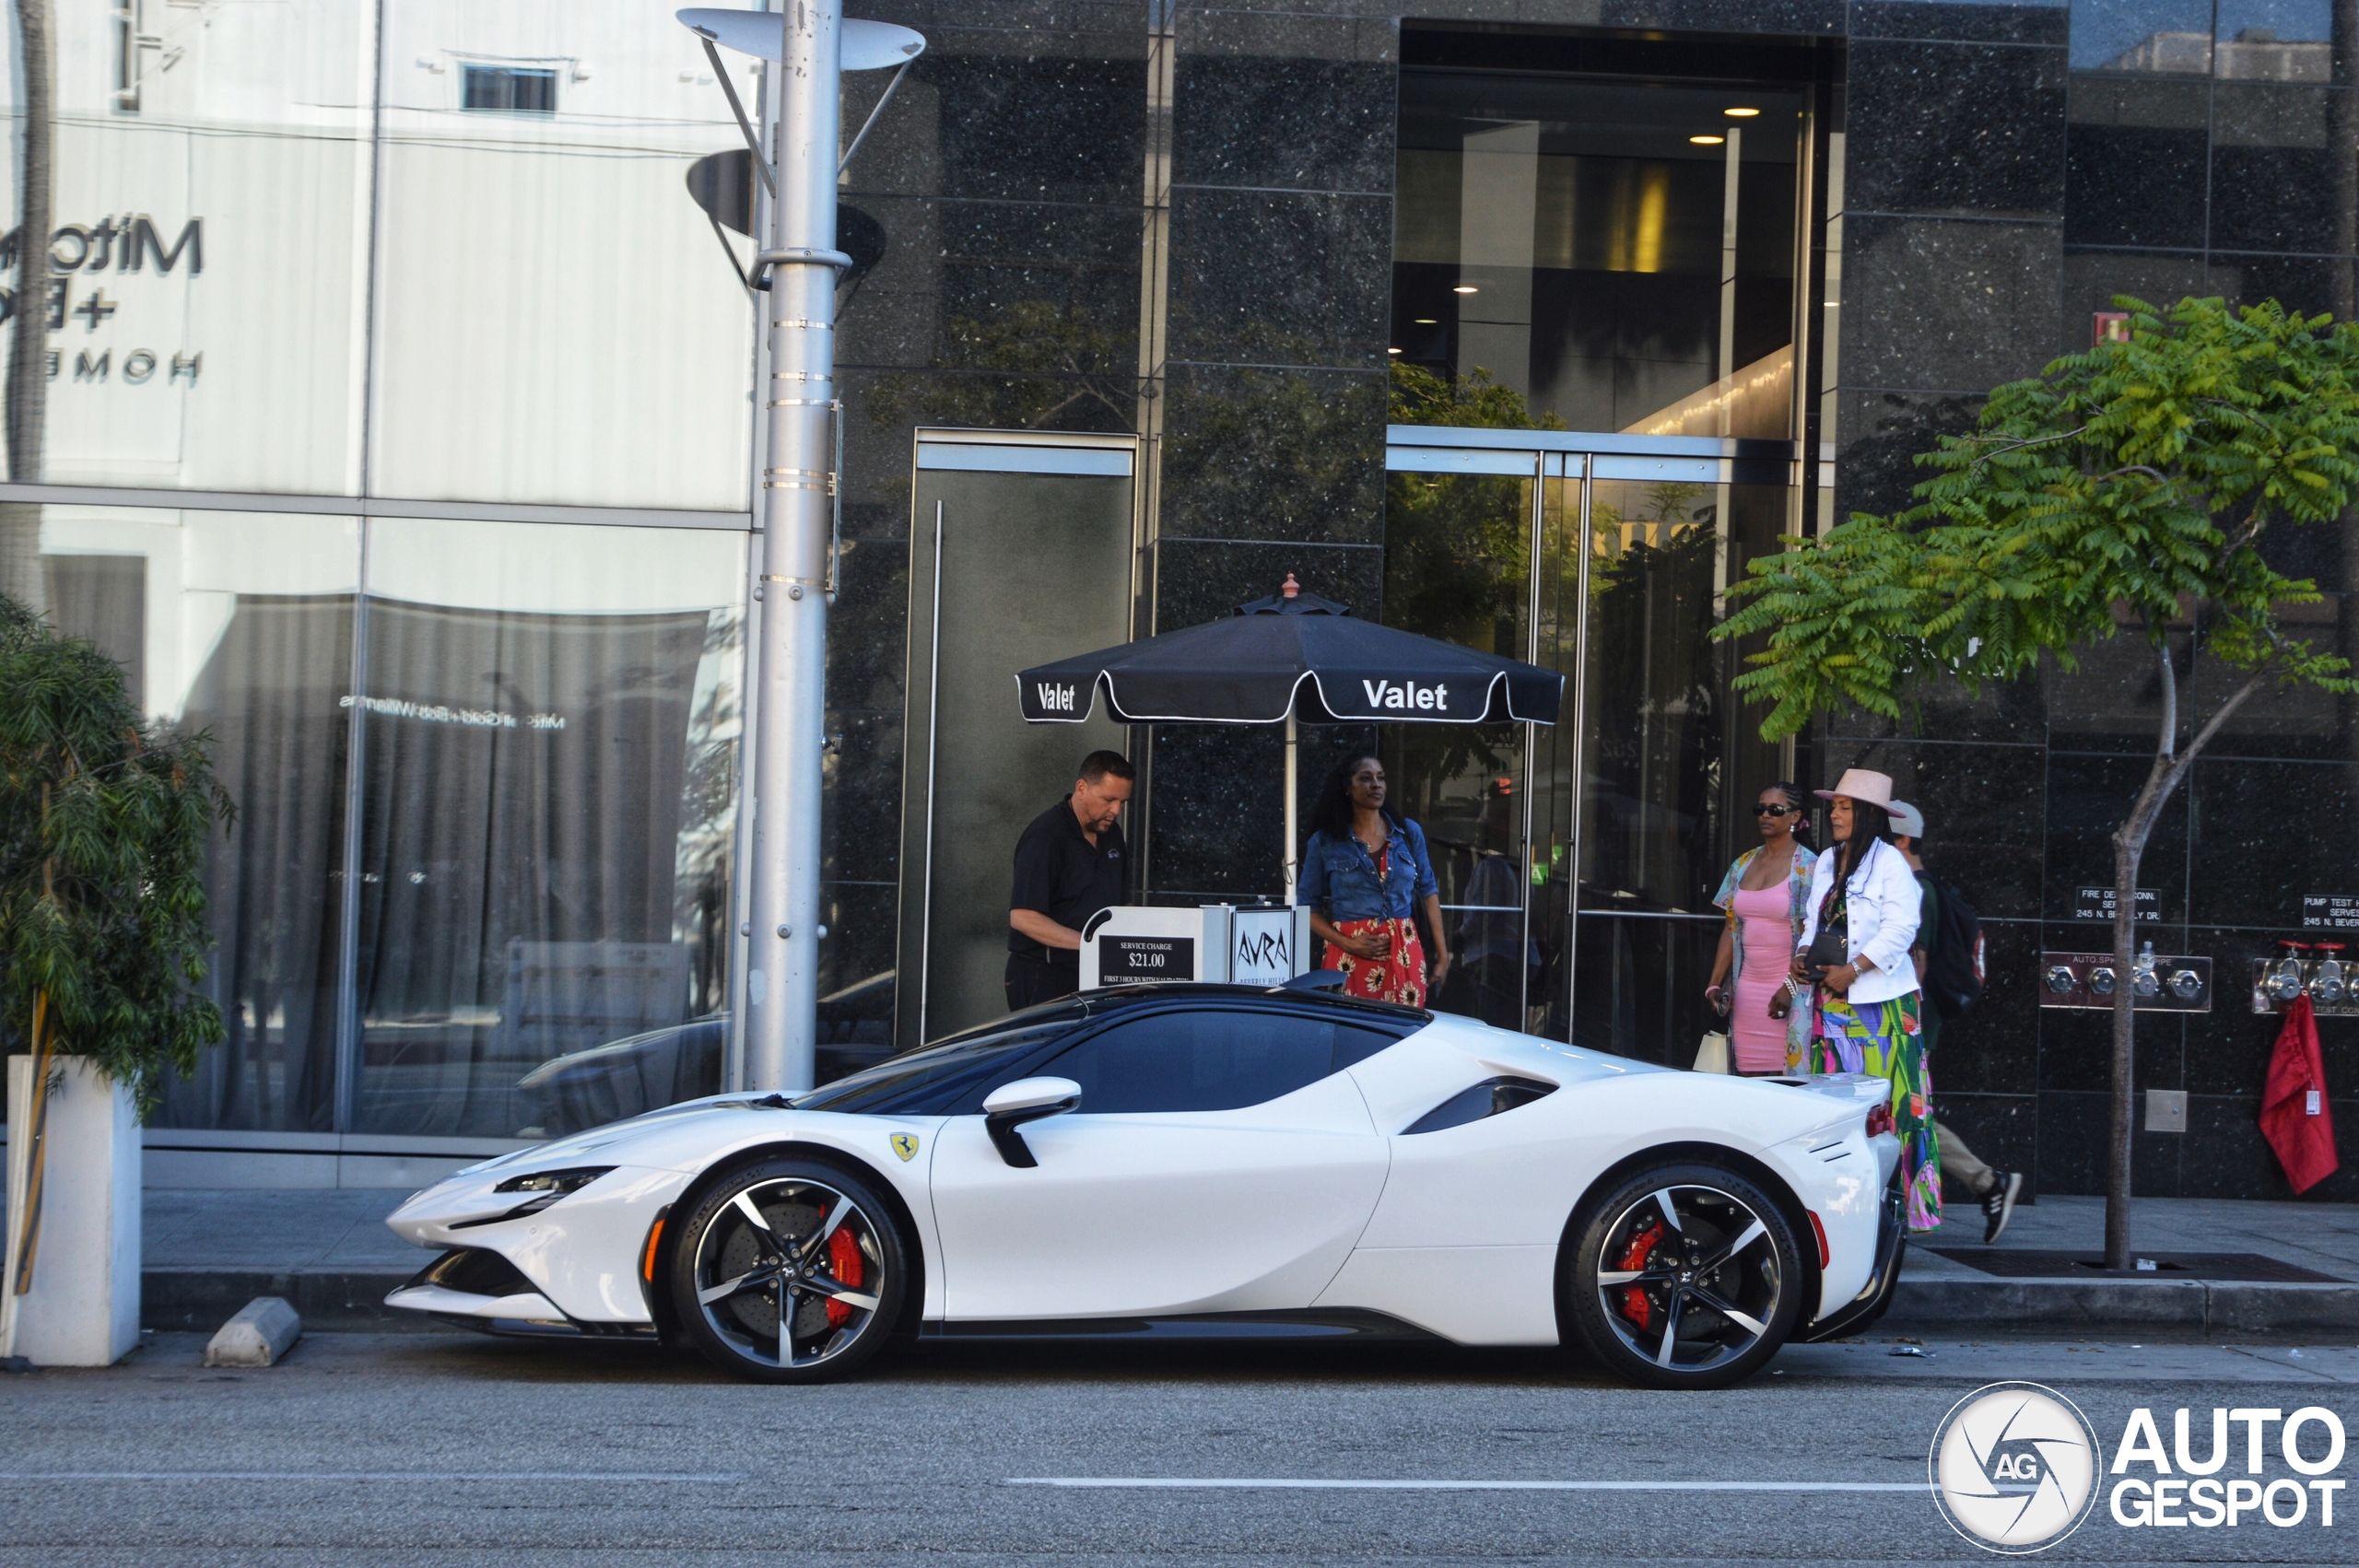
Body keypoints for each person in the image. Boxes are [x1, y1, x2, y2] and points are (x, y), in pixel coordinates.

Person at [1791, 767, 1941, 1231]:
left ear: (1868, 815)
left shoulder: (1890, 862)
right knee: (1838, 1109)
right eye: (1833, 805)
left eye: (1843, 806)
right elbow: (1813, 922)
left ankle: (1903, 1214)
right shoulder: (1826, 861)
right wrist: (1802, 955)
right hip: (1832, 1003)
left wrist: (1855, 970)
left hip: (1884, 1007)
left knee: (1896, 1107)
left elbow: (1902, 930)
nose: (1834, 813)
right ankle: (1846, 1212)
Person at [1889, 800, 2023, 1244]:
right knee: (1904, 1111)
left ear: (1904, 840)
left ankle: (1987, 1182)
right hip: (1913, 1020)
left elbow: (1917, 962)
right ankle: (1986, 1182)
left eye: (1883, 839)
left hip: (1910, 1022)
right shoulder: (1913, 886)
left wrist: (1901, 1021)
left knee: (1910, 1112)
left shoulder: (1917, 890)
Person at [1299, 754, 1450, 1005]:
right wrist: (1349, 943)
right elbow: (1307, 908)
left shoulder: (1408, 833)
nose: (1376, 784)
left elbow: (1428, 890)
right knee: (1351, 1034)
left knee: (1404, 1034)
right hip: (1348, 954)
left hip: (1403, 952)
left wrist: (1443, 957)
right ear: (1348, 788)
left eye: (1380, 778)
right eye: (1365, 778)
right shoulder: (1325, 842)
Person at [1005, 751, 1135, 1011]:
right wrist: (1091, 944)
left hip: (1097, 975)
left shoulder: (1111, 833)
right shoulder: (1046, 836)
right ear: (1082, 788)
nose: (1116, 810)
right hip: (1045, 975)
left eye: (1123, 802)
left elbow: (1120, 906)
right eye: (1108, 799)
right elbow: (1023, 917)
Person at [1706, 782, 1817, 1074]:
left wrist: (1789, 988)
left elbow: (1814, 939)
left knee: (1789, 1084)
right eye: (1760, 809)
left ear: (1795, 817)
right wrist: (1715, 984)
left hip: (1789, 995)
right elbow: (1731, 928)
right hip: (1746, 995)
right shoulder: (1743, 863)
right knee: (1747, 1080)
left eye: (1775, 810)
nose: (1765, 815)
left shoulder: (1809, 867)